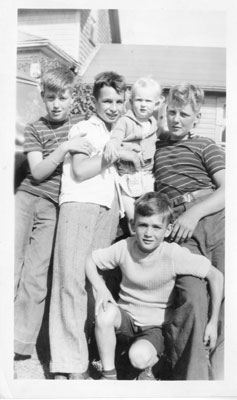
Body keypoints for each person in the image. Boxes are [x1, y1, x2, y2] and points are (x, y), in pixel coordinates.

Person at [85, 192, 223, 381]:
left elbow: (216, 276)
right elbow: (90, 261)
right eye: (143, 225)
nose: (149, 233)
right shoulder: (124, 246)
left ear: (167, 230)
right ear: (133, 225)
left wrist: (213, 322)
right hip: (126, 319)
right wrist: (101, 288)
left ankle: (154, 365)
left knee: (138, 358)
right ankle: (109, 375)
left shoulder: (173, 254)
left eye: (156, 227)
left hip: (154, 328)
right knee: (105, 314)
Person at [49, 71, 129, 380]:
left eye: (119, 101)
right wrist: (116, 154)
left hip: (107, 208)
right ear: (94, 101)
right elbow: (81, 171)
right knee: (70, 281)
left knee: (95, 282)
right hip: (80, 203)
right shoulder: (84, 128)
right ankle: (68, 364)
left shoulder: (118, 131)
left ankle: (89, 355)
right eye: (107, 100)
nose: (113, 106)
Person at [14, 66, 92, 360]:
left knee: (35, 273)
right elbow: (37, 171)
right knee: (9, 266)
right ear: (42, 98)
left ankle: (19, 342)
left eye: (63, 97)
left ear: (73, 98)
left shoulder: (80, 128)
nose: (56, 104)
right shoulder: (35, 128)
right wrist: (65, 148)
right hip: (25, 200)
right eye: (50, 97)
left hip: (53, 208)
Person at [154, 83, 225, 380]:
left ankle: (223, 379)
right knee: (193, 296)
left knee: (229, 298)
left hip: (213, 216)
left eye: (184, 114)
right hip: (179, 231)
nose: (176, 119)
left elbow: (228, 188)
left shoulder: (206, 145)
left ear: (196, 117)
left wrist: (194, 213)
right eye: (171, 112)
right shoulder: (155, 148)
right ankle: (194, 383)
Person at [103, 77, 162, 233]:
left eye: (148, 101)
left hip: (147, 174)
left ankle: (145, 241)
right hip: (127, 175)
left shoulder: (155, 125)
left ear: (156, 104)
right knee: (132, 216)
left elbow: (162, 139)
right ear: (131, 101)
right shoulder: (125, 121)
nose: (143, 105)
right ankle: (132, 236)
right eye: (139, 100)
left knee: (149, 210)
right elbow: (116, 136)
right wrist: (112, 144)